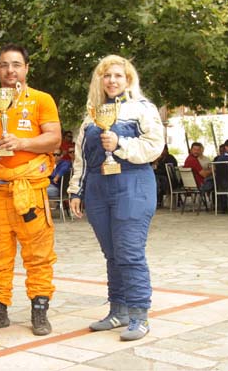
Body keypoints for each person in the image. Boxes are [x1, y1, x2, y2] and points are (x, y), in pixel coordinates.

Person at [0, 43, 61, 336]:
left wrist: (22, 143)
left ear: (26, 68)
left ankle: (39, 311)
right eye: (4, 65)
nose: (10, 70)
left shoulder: (42, 100)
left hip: (30, 190)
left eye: (16, 64)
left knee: (39, 254)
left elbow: (54, 139)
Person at [68, 55, 163, 342]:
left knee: (129, 252)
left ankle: (139, 315)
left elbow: (155, 146)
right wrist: (76, 190)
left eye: (118, 75)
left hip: (133, 184)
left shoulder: (142, 108)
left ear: (128, 79)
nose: (112, 80)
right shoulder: (92, 115)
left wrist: (120, 143)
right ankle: (118, 311)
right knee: (112, 254)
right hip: (98, 188)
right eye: (107, 75)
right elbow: (81, 157)